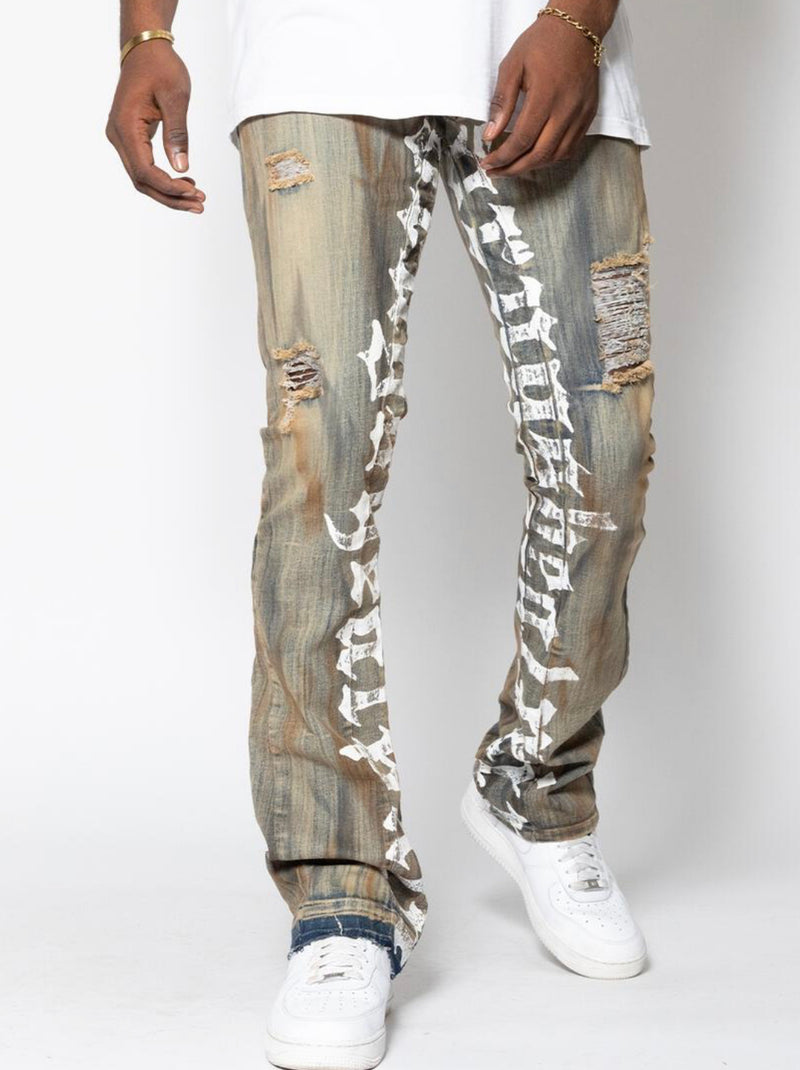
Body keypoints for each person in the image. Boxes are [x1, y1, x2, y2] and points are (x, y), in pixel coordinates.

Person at [107, 1, 656, 1066]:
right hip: (313, 52)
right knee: (320, 459)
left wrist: (579, 18)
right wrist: (144, 35)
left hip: (547, 40)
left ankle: (537, 788)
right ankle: (339, 895)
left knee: (607, 447)